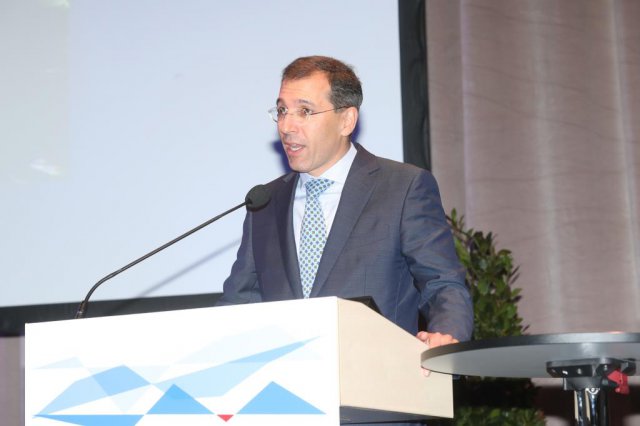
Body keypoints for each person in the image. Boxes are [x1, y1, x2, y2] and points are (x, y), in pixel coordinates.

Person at [218, 56, 473, 424]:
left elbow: (442, 282)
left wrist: (446, 337)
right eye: (282, 111)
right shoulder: (265, 202)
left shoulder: (402, 188)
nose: (287, 126)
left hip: (375, 407)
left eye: (304, 111)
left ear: (346, 120)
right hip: (281, 408)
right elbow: (240, 304)